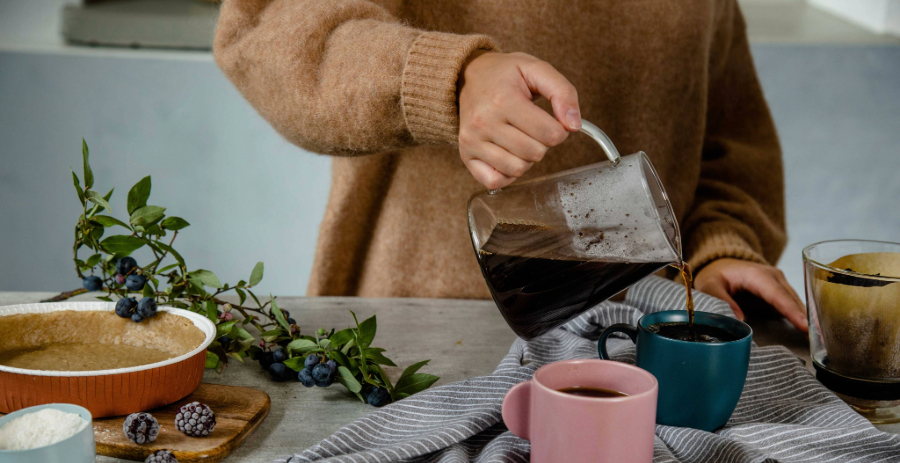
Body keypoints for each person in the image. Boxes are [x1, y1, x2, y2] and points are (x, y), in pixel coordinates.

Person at [214, 0, 808, 332]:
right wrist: (449, 79)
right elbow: (262, 37)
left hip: (638, 349)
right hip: (413, 341)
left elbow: (730, 145)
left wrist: (722, 247)